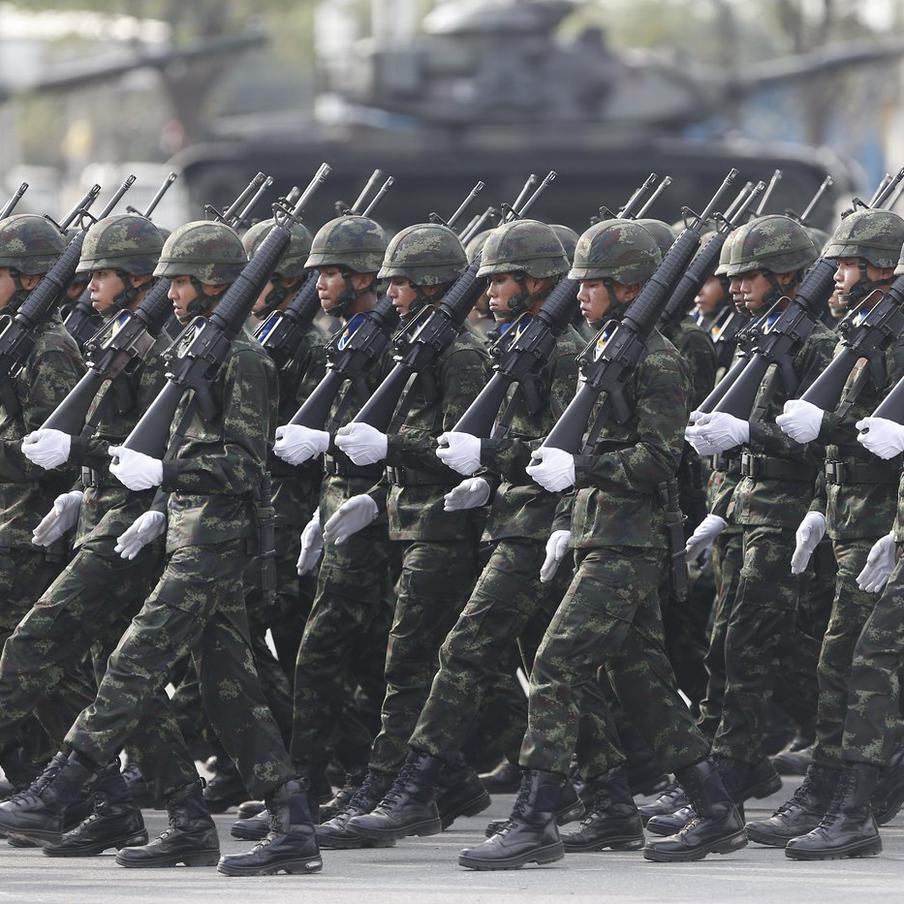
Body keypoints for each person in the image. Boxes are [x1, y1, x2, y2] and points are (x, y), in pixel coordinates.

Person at [0, 220, 322, 878]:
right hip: (179, 530)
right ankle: (265, 825)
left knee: (132, 660)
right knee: (230, 689)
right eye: (169, 280)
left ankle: (63, 784)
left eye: (181, 280)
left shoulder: (246, 359)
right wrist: (131, 482)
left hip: (218, 538)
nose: (171, 293)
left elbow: (244, 464)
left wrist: (160, 476)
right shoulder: (196, 347)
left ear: (213, 285)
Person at [683, 215, 836, 829]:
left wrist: (752, 433)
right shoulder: (757, 335)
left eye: (750, 275)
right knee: (727, 646)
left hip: (789, 519)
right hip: (747, 515)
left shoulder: (820, 345)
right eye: (734, 275)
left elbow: (826, 443)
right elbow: (731, 445)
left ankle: (733, 771)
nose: (736, 285)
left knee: (754, 649)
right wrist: (718, 512)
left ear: (789, 277)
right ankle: (733, 765)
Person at [0, 215, 85, 791]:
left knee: (39, 668)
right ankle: (36, 779)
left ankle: (71, 783)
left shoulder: (50, 347)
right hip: (8, 523)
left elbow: (47, 452)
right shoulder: (13, 339)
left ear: (30, 279)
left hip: (30, 531)